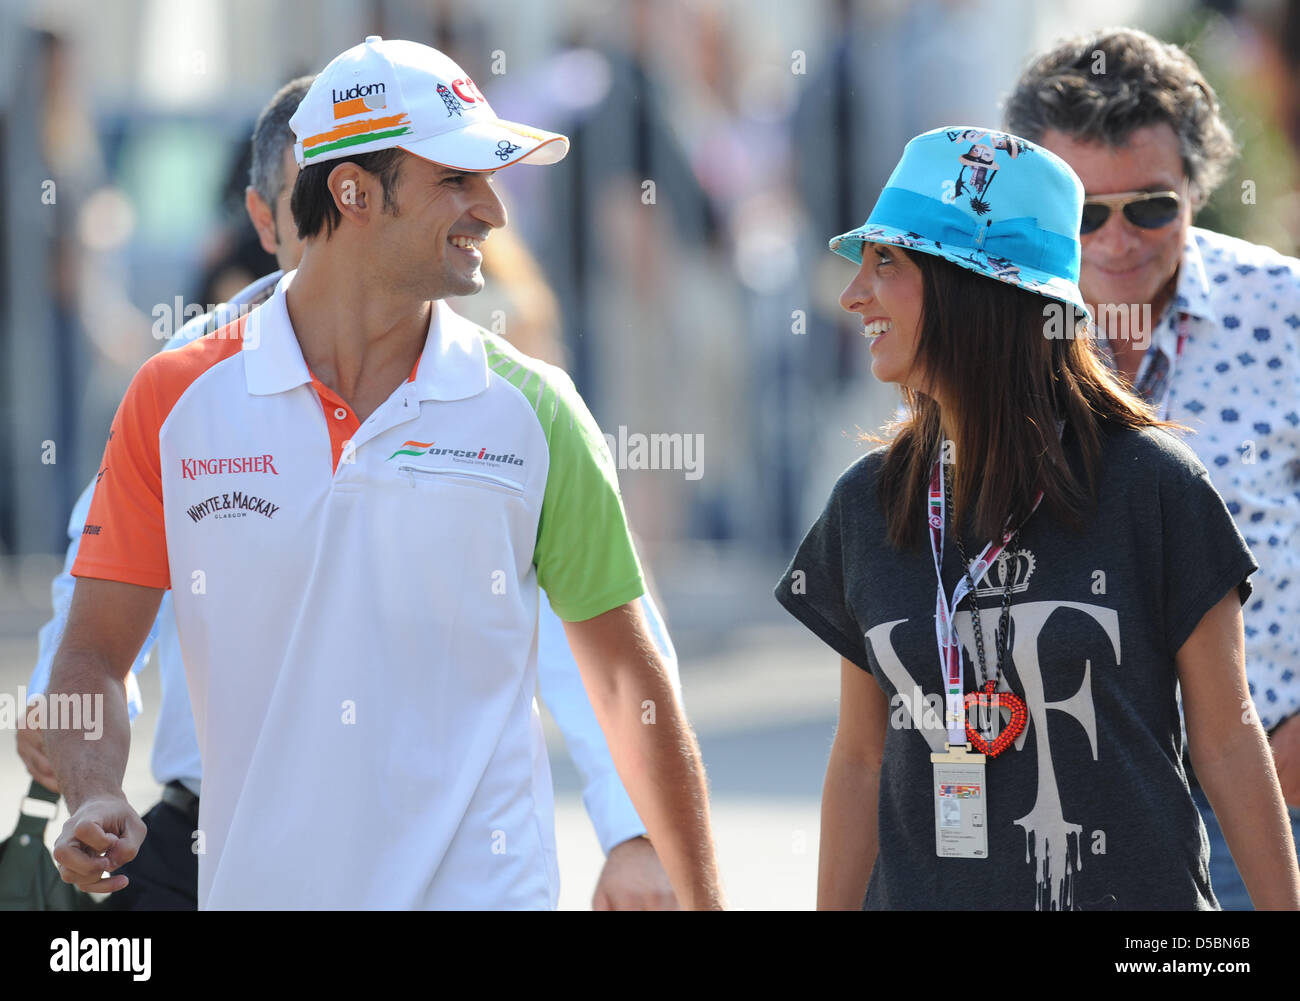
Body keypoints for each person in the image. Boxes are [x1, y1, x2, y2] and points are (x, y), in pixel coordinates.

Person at [44, 37, 722, 910]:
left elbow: (630, 682)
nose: (494, 211)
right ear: (355, 193)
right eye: (458, 180)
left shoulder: (536, 410)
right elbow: (92, 653)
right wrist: (94, 789)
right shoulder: (176, 395)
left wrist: (664, 861)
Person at [774, 124, 1300, 910]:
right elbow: (859, 757)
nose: (855, 292)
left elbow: (1227, 739)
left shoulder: (1155, 487)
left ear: (972, 287)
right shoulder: (866, 501)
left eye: (888, 262)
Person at [1003, 26, 1300, 909]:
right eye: (1082, 212)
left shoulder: (1285, 315)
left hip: (1275, 790)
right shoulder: (991, 335)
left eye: (1151, 206)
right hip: (1062, 801)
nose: (1117, 239)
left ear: (1198, 189)